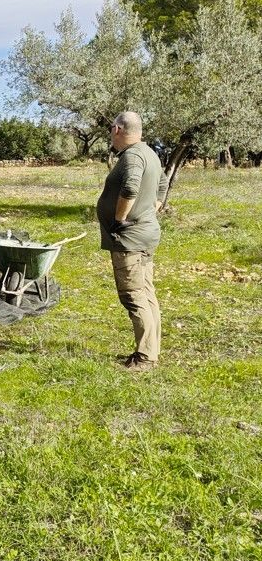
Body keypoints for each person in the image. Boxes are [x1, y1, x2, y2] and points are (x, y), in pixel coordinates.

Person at [97, 111, 168, 372]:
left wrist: (120, 218)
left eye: (110, 130)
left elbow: (130, 187)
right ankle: (150, 350)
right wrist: (153, 208)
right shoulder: (149, 152)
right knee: (146, 293)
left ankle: (146, 358)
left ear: (117, 129)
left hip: (131, 239)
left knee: (133, 295)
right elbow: (162, 183)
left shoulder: (133, 157)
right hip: (146, 234)